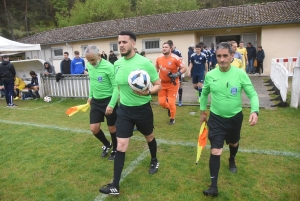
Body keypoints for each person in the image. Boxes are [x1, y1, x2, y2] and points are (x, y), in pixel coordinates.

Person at [99, 31, 161, 195]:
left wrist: (148, 92)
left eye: (124, 42)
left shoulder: (145, 63)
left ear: (134, 43)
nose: (121, 45)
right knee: (121, 145)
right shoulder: (117, 64)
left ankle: (154, 160)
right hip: (124, 110)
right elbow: (117, 88)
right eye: (119, 42)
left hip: (142, 110)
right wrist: (112, 104)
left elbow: (157, 84)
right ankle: (115, 185)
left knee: (149, 136)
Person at [199, 42, 259, 197]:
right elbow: (204, 93)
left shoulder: (240, 74)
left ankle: (232, 158)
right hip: (216, 118)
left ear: (232, 56)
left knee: (234, 143)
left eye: (225, 55)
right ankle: (213, 187)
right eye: (219, 56)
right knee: (215, 150)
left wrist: (255, 111)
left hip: (235, 118)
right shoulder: (211, 75)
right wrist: (202, 112)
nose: (222, 59)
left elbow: (252, 94)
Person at [85, 45, 119, 161]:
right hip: (96, 101)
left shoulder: (109, 67)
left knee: (112, 128)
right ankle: (107, 144)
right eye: (88, 60)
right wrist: (90, 96)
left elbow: (116, 87)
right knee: (94, 128)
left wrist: (111, 104)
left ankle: (115, 149)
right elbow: (92, 82)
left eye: (92, 59)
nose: (90, 62)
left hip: (109, 100)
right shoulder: (89, 65)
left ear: (99, 55)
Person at [156, 42, 186, 125]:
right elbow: (156, 67)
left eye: (166, 47)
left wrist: (177, 74)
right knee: (162, 102)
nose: (164, 48)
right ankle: (169, 108)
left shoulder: (175, 58)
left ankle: (172, 118)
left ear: (170, 48)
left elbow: (184, 68)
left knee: (171, 102)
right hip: (162, 84)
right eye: (163, 47)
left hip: (173, 84)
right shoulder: (159, 58)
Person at [167, 40, 185, 106]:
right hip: (169, 72)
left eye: (169, 47)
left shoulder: (177, 52)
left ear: (172, 46)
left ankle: (180, 100)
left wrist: (179, 71)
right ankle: (169, 100)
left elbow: (181, 60)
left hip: (177, 71)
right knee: (169, 85)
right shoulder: (167, 52)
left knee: (179, 85)